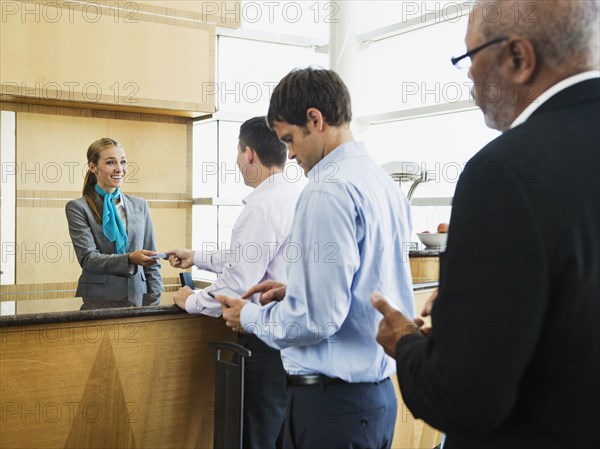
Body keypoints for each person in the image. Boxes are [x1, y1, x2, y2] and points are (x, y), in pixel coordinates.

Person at [372, 1, 600, 448]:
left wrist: (405, 345)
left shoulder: (505, 173)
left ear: (517, 58)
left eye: (469, 57)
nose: (469, 78)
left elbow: (464, 400)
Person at [218, 68, 415, 449]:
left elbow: (316, 319)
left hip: (330, 408)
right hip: (374, 400)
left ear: (315, 119)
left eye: (290, 139)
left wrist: (248, 315)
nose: (289, 155)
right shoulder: (381, 183)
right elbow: (366, 280)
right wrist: (298, 289)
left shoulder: (326, 189)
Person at [167, 116, 304, 449]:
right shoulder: (294, 194)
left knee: (255, 436)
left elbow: (235, 285)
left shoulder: (259, 208)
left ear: (250, 154)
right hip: (297, 341)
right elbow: (253, 255)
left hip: (267, 343)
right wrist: (197, 256)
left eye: (237, 152)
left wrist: (191, 300)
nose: (236, 161)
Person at [66, 138, 162, 303]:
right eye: (111, 162)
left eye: (123, 162)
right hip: (99, 298)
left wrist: (154, 301)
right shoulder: (78, 208)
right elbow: (88, 259)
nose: (119, 169)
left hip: (138, 295)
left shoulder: (140, 205)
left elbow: (152, 260)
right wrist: (129, 258)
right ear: (93, 167)